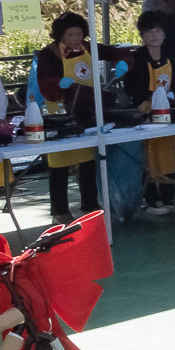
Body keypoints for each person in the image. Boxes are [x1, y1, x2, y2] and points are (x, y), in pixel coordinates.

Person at [32, 14, 105, 221]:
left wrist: (123, 58)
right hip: (60, 112)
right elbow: (45, 82)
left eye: (79, 34)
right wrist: (58, 86)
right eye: (70, 34)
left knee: (88, 160)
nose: (75, 38)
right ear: (59, 35)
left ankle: (89, 205)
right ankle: (59, 211)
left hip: (87, 110)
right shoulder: (49, 53)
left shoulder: (87, 48)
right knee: (59, 163)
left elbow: (111, 52)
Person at [130, 12, 175, 217]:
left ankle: (169, 198)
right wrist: (151, 99)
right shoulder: (137, 57)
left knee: (174, 154)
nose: (154, 35)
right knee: (151, 157)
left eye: (158, 31)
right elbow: (132, 87)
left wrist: (174, 96)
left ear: (165, 33)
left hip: (172, 110)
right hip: (147, 114)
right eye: (149, 32)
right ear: (142, 35)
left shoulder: (174, 54)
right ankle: (151, 199)